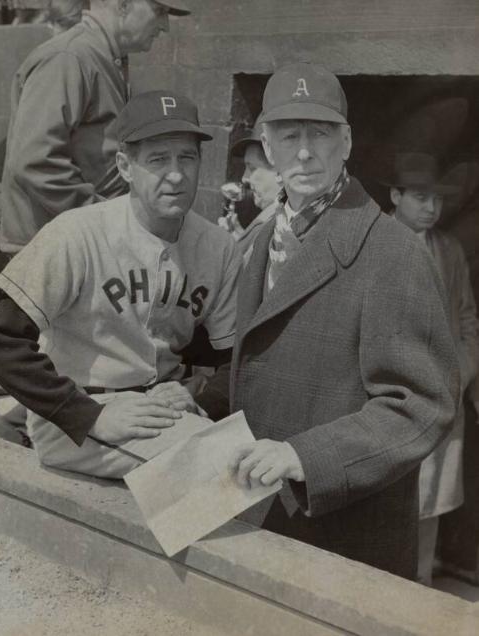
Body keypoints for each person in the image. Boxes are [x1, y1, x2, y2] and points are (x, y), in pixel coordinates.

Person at [197, 62, 460, 580]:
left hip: (346, 533)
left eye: (320, 133)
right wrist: (193, 398)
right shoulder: (260, 240)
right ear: (267, 147)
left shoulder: (393, 252)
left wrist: (306, 457)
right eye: (288, 134)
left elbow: (421, 405)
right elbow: (262, 367)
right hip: (262, 513)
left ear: (347, 143)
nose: (303, 151)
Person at [0, 91, 241, 478]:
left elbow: (235, 359)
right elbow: (0, 346)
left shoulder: (218, 246)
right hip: (79, 414)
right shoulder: (76, 233)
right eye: (157, 159)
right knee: (218, 468)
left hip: (160, 407)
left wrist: (195, 395)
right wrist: (89, 415)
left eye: (187, 157)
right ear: (125, 166)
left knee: (255, 462)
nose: (175, 174)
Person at [0, 0, 191, 254]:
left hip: (77, 241)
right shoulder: (69, 57)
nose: (165, 26)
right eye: (159, 11)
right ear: (122, 5)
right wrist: (102, 216)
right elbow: (35, 161)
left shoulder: (104, 56)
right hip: (50, 247)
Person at [389, 152, 479, 585]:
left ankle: (419, 590)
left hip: (443, 395)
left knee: (431, 499)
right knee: (390, 498)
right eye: (420, 198)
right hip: (391, 397)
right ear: (395, 196)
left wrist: (460, 371)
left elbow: (467, 318)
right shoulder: (376, 242)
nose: (430, 208)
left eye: (436, 200)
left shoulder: (448, 249)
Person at [225, 117, 281, 255]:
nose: (245, 178)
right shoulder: (272, 217)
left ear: (279, 168)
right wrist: (239, 239)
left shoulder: (281, 223)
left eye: (252, 168)